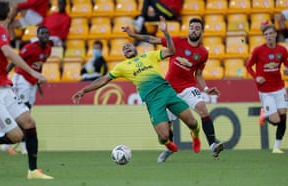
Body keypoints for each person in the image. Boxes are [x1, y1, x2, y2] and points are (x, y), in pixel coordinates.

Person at [72, 16, 201, 156]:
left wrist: (166, 33)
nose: (127, 47)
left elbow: (171, 51)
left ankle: (195, 136)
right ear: (123, 54)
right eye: (124, 48)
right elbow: (103, 80)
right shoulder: (122, 67)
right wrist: (84, 90)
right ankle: (168, 144)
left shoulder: (149, 56)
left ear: (135, 48)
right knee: (163, 137)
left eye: (129, 45)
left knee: (193, 123)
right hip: (152, 100)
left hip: (167, 92)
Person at [123, 17, 224, 163]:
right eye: (192, 27)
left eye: (197, 28)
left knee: (203, 109)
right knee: (167, 126)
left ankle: (213, 145)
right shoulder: (177, 41)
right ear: (188, 29)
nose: (194, 30)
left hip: (188, 87)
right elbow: (153, 39)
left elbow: (199, 74)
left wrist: (206, 88)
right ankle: (168, 149)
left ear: (202, 31)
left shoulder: (203, 53)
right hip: (169, 89)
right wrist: (133, 35)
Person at [0, 1, 53, 179]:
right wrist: (33, 73)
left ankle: (33, 171)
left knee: (29, 123)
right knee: (15, 136)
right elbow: (9, 54)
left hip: (4, 87)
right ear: (7, 14)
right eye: (11, 10)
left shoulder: (4, 30)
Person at [0, 25, 52, 155]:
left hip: (32, 83)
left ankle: (10, 143)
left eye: (47, 33)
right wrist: (4, 74)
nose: (45, 35)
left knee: (27, 112)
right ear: (38, 35)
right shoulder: (29, 48)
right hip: (21, 79)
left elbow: (38, 66)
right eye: (42, 33)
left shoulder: (48, 49)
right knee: (23, 113)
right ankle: (22, 145)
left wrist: (38, 82)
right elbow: (14, 60)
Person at [246, 23, 288, 154]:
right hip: (265, 91)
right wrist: (256, 77)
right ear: (264, 36)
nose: (268, 36)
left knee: (283, 115)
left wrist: (287, 70)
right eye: (266, 34)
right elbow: (248, 66)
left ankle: (276, 147)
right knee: (275, 120)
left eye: (271, 33)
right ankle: (264, 115)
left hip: (279, 88)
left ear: (275, 34)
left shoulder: (282, 50)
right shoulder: (258, 50)